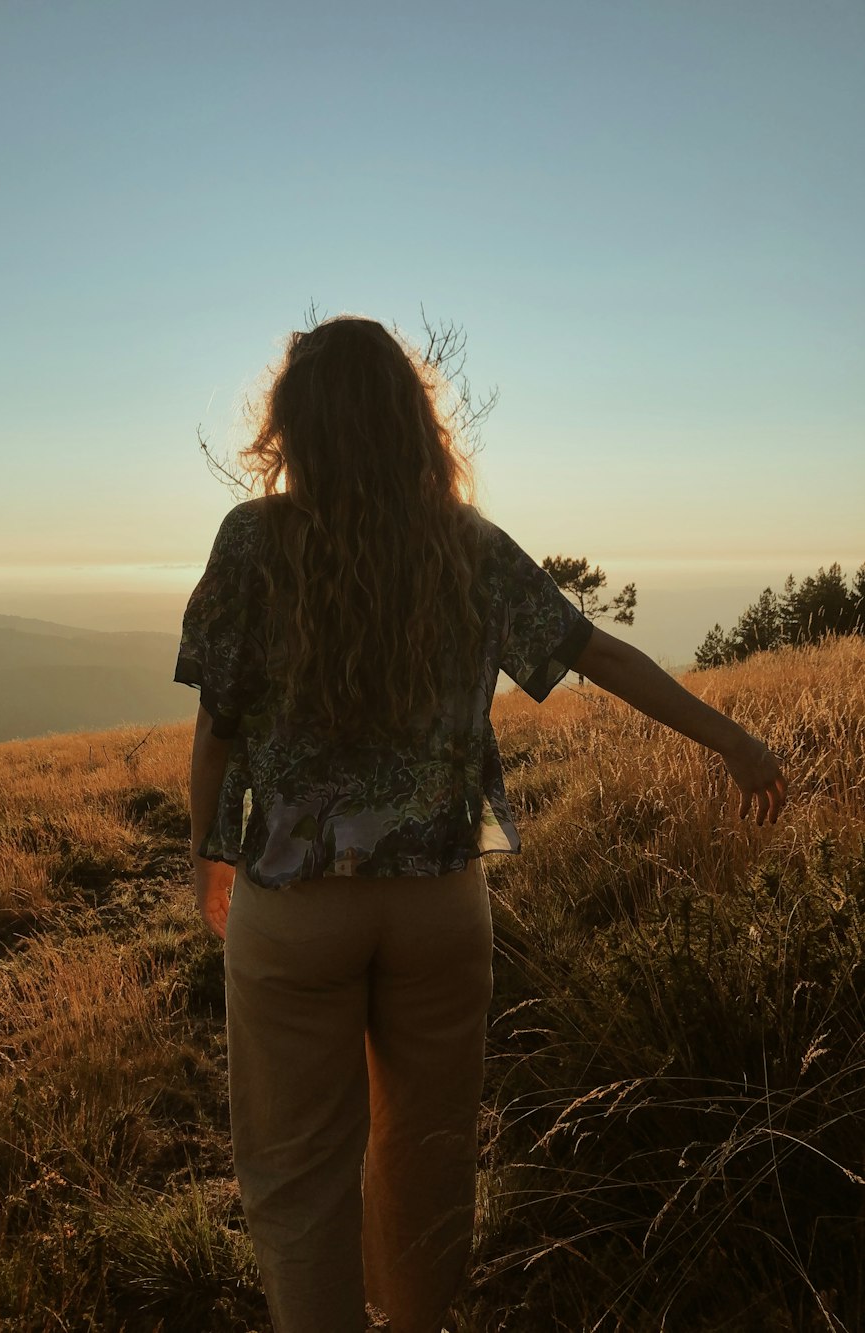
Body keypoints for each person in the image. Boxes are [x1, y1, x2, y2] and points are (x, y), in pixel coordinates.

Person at [174, 316, 786, 1333]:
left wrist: (207, 849)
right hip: (439, 909)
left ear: (295, 427)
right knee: (426, 1154)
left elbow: (217, 722)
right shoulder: (466, 545)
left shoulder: (253, 541)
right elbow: (600, 653)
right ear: (413, 422)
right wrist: (730, 739)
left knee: (297, 1174)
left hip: (294, 908)